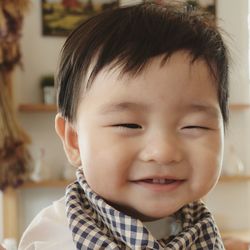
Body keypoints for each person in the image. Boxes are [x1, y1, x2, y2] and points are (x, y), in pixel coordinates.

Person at [19, 2, 233, 249]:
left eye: (193, 126)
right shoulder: (53, 238)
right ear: (74, 140)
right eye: (129, 125)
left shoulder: (201, 230)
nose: (163, 151)